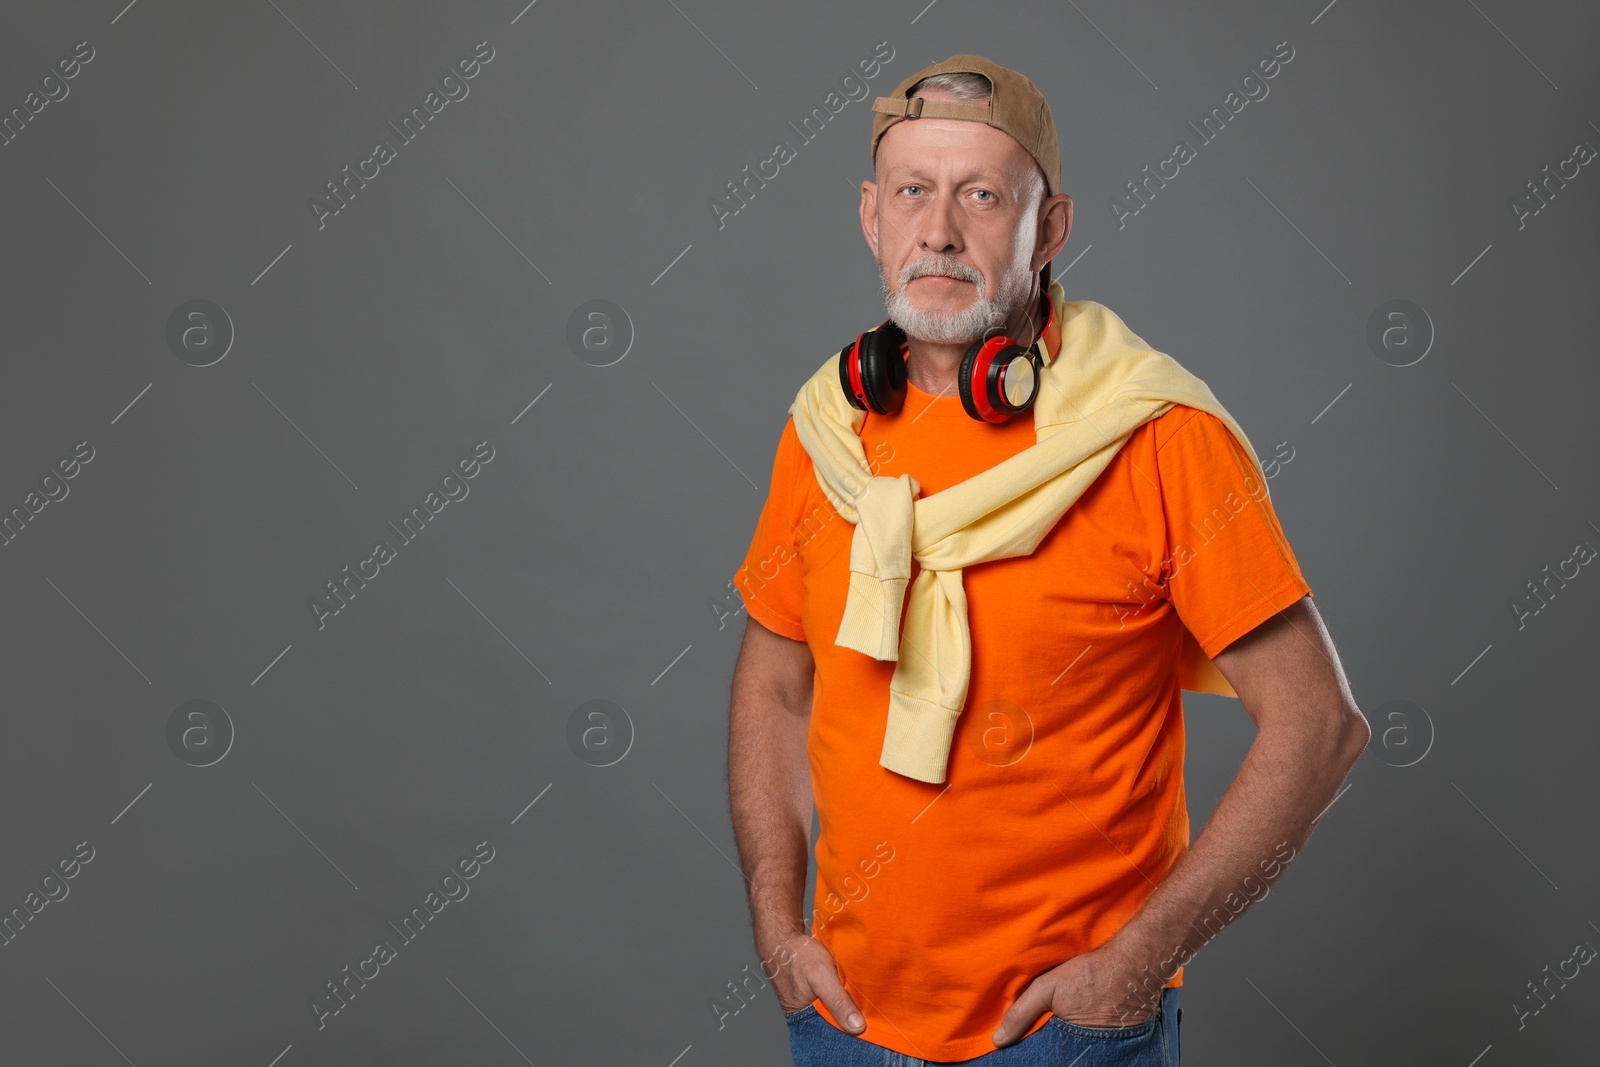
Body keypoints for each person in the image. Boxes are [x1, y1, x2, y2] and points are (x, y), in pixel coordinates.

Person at [725, 54, 1369, 1066]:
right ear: (870, 216)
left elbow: (1319, 725)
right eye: (912, 191)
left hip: (1066, 1034)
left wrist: (1134, 963)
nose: (938, 229)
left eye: (981, 194)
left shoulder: (1152, 434)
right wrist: (776, 928)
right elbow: (773, 683)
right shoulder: (826, 433)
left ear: (1050, 228)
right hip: (842, 1021)